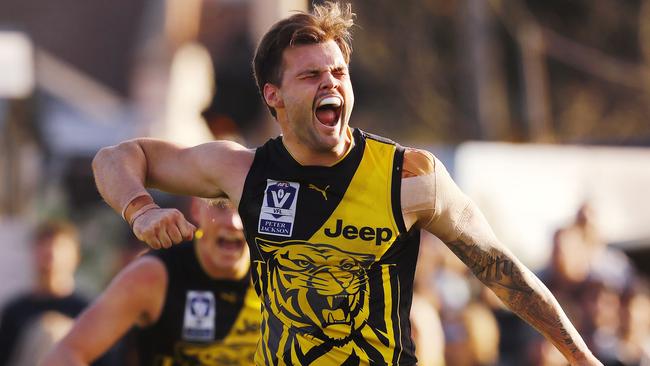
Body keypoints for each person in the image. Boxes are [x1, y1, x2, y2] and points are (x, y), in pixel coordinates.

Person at [90, 2, 602, 365]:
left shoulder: (411, 175)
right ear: (274, 96)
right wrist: (142, 209)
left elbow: (503, 270)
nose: (331, 83)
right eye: (310, 76)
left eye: (338, 71)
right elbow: (117, 156)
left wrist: (580, 357)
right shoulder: (241, 172)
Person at [42, 197, 260, 365]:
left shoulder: (282, 275)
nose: (234, 222)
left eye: (244, 205)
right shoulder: (155, 275)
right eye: (221, 206)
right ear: (196, 208)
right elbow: (64, 355)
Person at [0, 220, 88, 365]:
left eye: (60, 247)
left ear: (76, 256)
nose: (51, 254)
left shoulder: (87, 310)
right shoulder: (14, 310)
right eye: (43, 246)